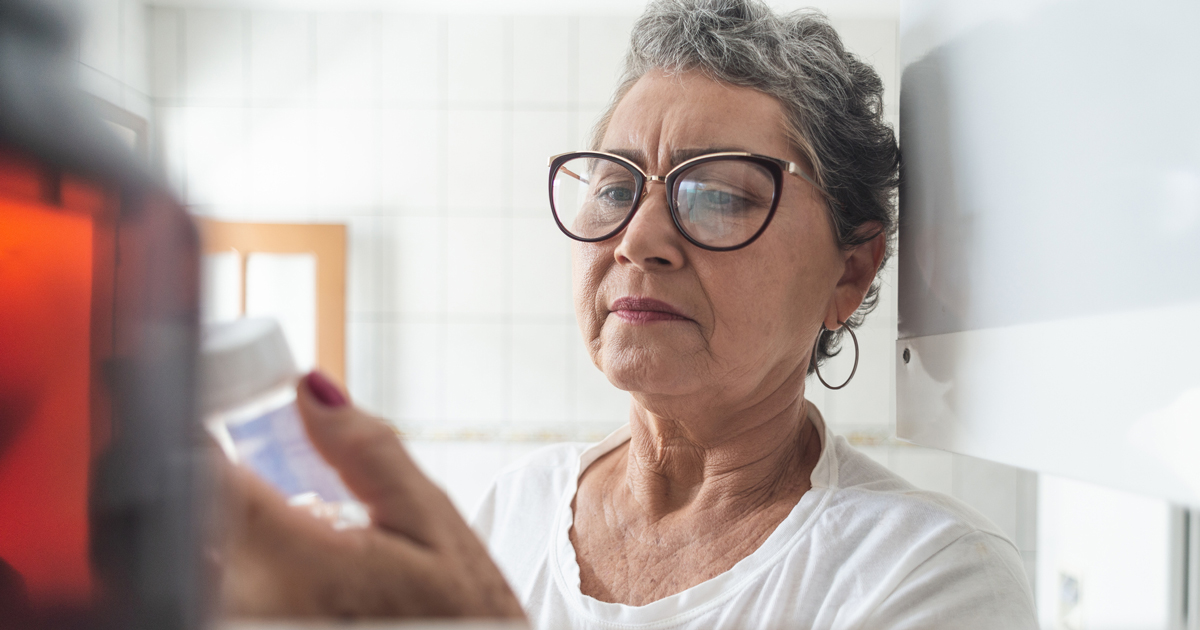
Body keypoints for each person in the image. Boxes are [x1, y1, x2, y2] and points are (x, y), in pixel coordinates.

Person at [218, 1, 1038, 627]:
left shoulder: (925, 574)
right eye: (613, 187)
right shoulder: (520, 506)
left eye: (717, 195)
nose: (638, 239)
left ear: (850, 271)